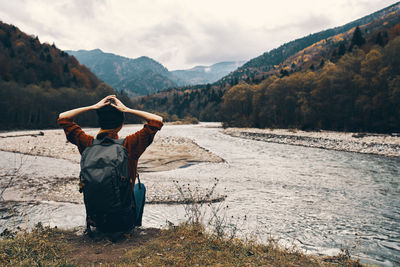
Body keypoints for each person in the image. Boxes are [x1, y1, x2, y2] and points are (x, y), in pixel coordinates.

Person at [57, 95, 163, 235]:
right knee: (140, 188)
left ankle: (99, 223)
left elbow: (63, 117)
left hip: (96, 220)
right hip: (123, 221)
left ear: (100, 123)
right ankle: (134, 228)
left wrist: (93, 107)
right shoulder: (129, 145)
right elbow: (157, 120)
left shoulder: (87, 143)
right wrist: (127, 109)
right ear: (121, 125)